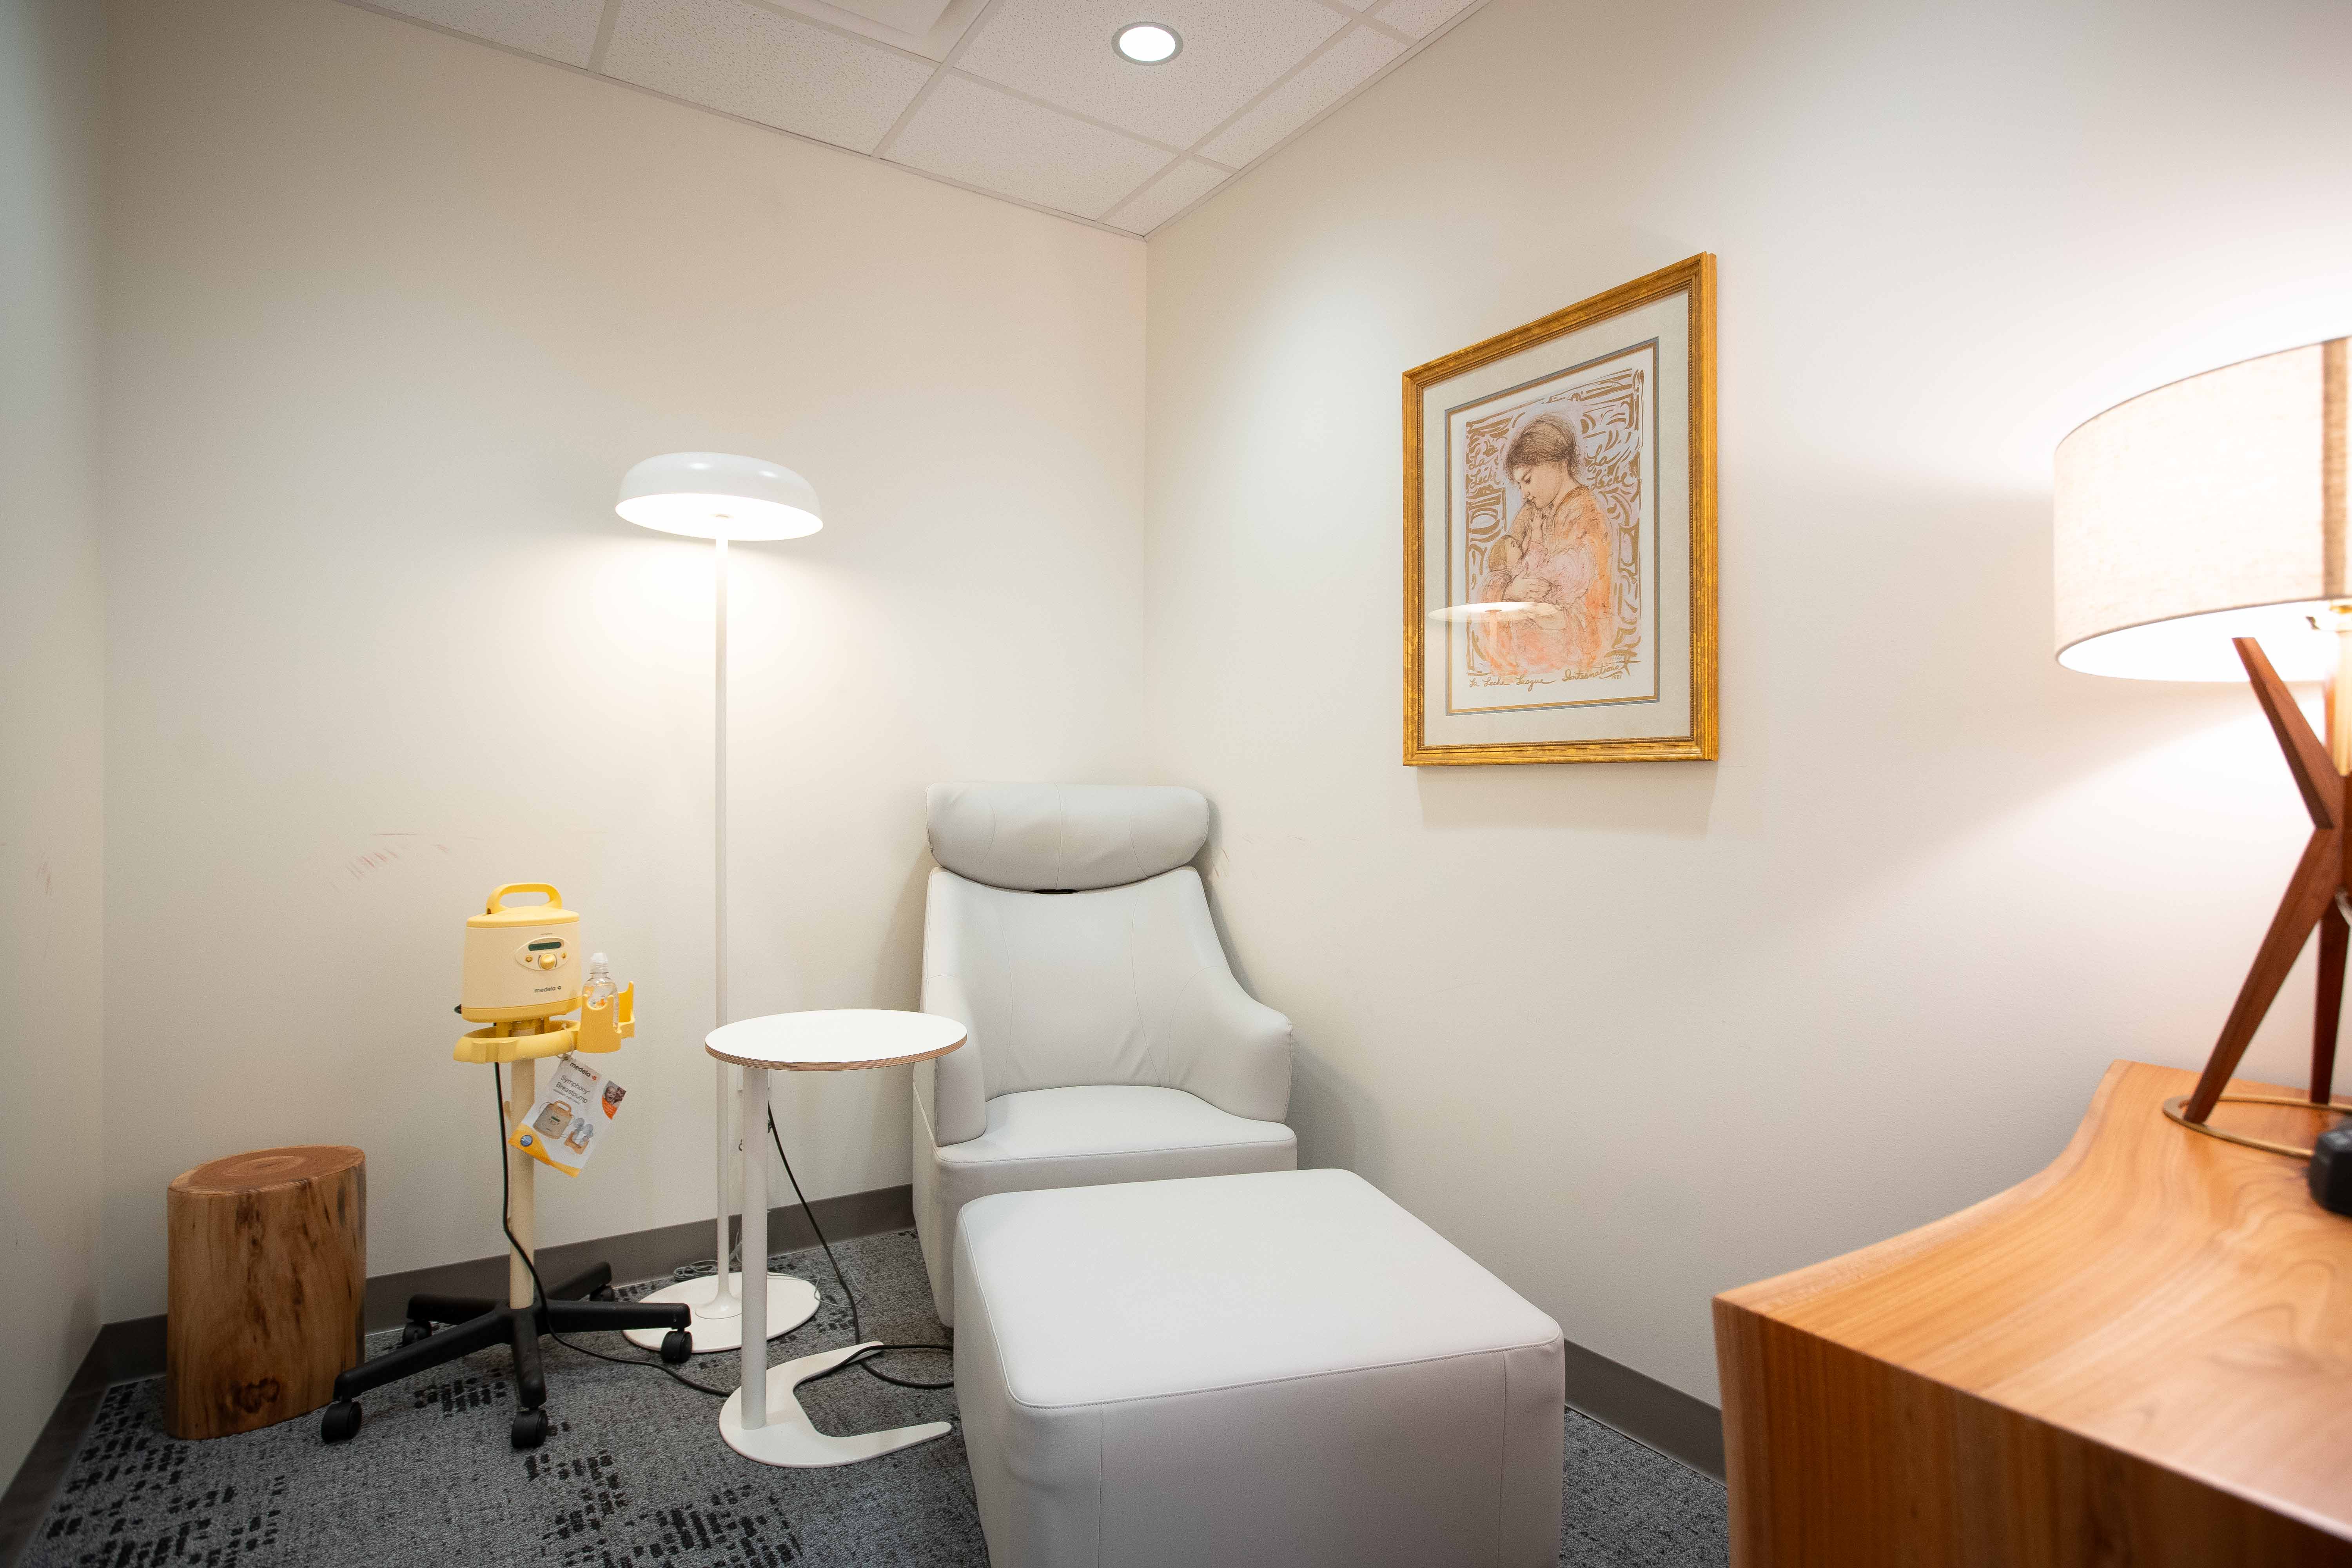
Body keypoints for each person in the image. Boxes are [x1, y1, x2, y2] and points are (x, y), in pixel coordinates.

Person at [1474, 412, 1614, 681]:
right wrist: (1510, 589)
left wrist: (1556, 615)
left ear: (1558, 464)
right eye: (1519, 485)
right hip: (1524, 656)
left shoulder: (1588, 515)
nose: (1524, 493)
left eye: (1528, 480)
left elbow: (1595, 603)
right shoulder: (1529, 514)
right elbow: (1501, 565)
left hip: (1567, 661)